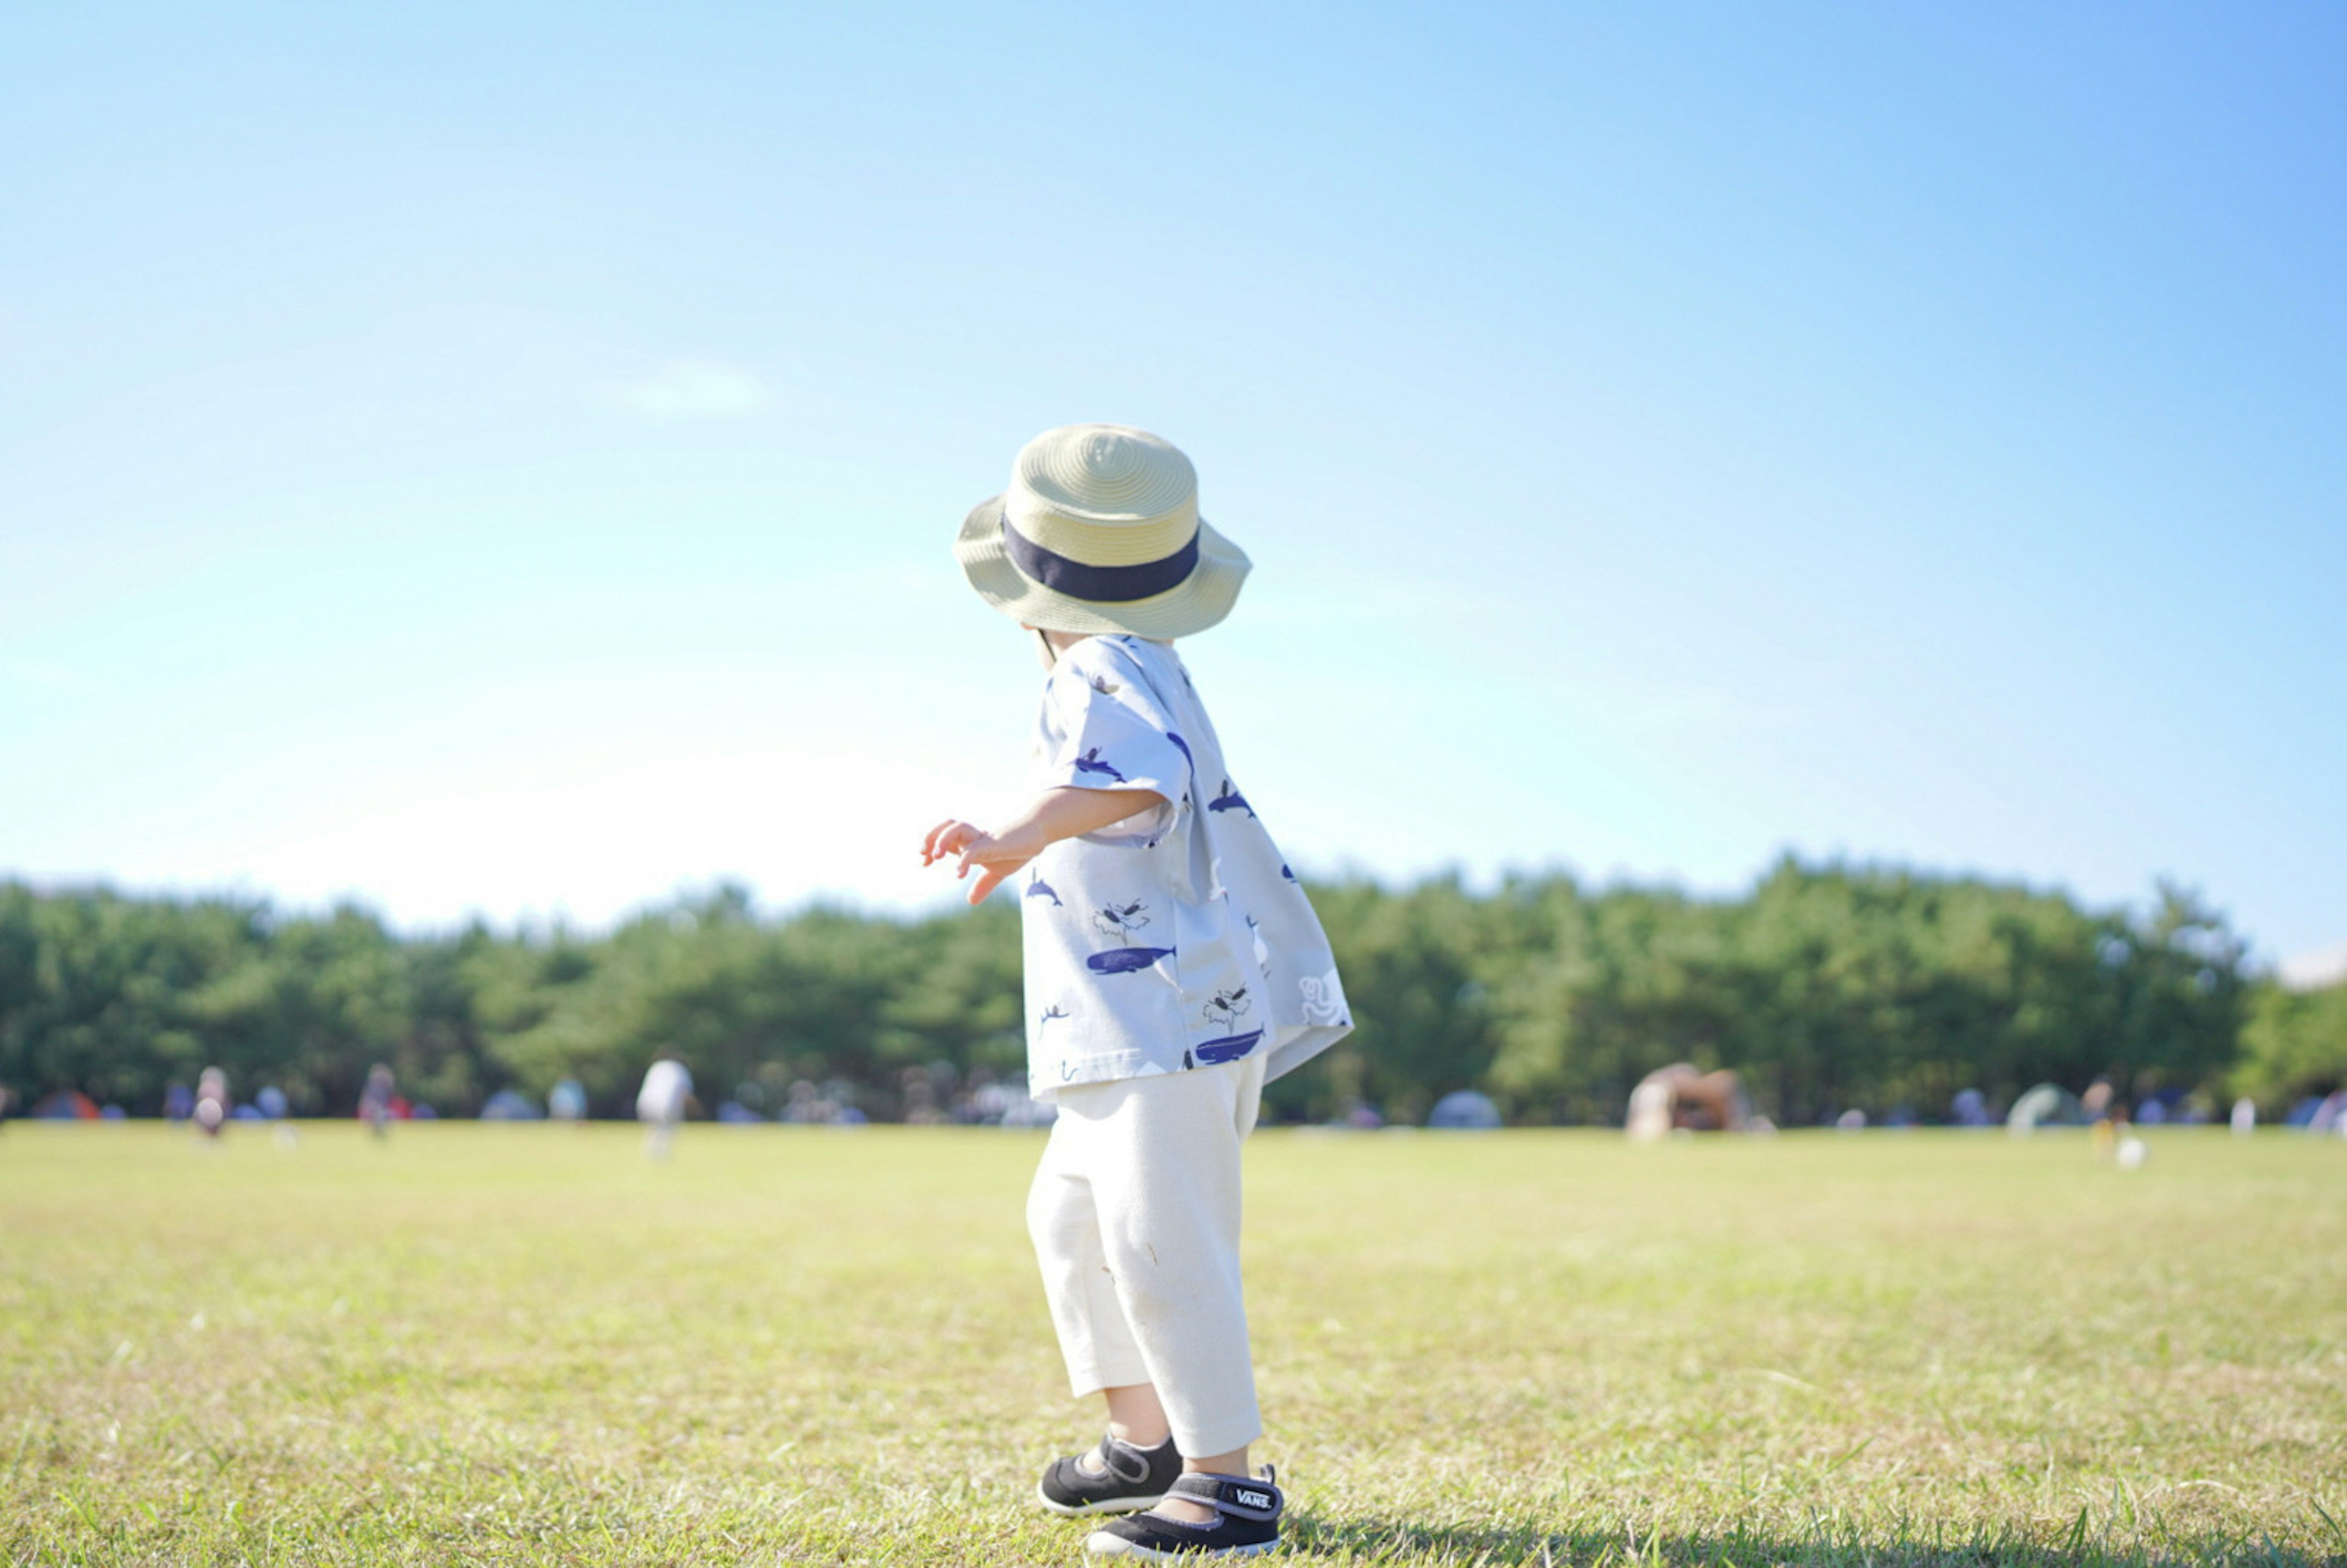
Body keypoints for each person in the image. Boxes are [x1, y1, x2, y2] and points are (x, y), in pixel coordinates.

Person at [923, 424, 1352, 1559]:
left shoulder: (1101, 667)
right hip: (1131, 1023)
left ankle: (1225, 1486)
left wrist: (1015, 830)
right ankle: (1147, 1443)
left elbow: (1129, 781)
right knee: (1070, 1218)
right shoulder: (1141, 665)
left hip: (1162, 1021)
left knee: (1163, 1240)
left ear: (1023, 591)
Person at [636, 1057, 694, 1159]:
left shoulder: (657, 1067)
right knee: (668, 1128)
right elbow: (684, 1094)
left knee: (655, 1128)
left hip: (646, 1101)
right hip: (668, 1104)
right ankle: (659, 1154)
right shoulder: (681, 1070)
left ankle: (653, 1151)